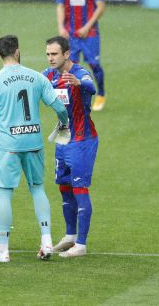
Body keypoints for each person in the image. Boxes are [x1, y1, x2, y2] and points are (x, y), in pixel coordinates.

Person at [0, 35, 69, 263]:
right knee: (37, 189)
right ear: (17, 51)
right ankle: (47, 241)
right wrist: (64, 125)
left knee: (5, 193)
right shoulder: (37, 78)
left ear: (0, 54)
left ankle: (3, 249)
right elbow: (59, 106)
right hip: (33, 142)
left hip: (9, 146)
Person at [43, 36, 98, 258]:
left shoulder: (79, 72)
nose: (50, 58)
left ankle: (82, 245)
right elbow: (32, 82)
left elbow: (91, 86)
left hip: (82, 141)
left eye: (54, 54)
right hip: (63, 140)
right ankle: (70, 236)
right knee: (64, 188)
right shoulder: (48, 74)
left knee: (80, 189)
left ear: (66, 54)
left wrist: (79, 83)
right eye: (48, 54)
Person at [56, 0, 107, 111]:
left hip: (90, 34)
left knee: (94, 64)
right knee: (70, 66)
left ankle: (101, 94)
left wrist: (87, 26)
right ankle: (73, 98)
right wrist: (61, 27)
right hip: (71, 35)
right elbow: (60, 5)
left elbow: (101, 6)